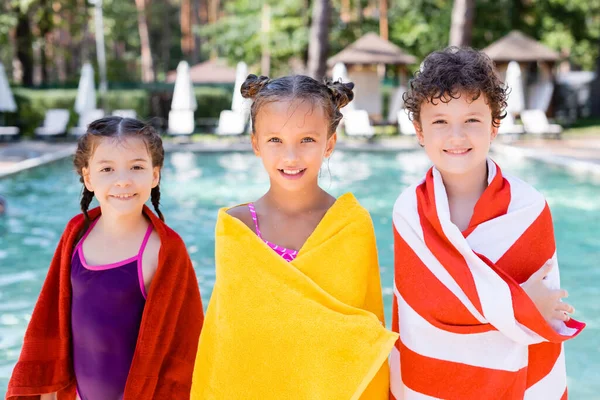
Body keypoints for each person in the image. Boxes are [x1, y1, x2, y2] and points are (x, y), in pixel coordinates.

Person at [390, 47, 585, 399]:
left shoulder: (529, 210)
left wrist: (528, 309)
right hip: (433, 380)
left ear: (494, 126)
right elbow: (423, 309)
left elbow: (545, 312)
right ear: (419, 130)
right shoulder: (409, 211)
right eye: (440, 122)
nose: (456, 136)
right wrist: (518, 306)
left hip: (514, 384)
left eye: (472, 120)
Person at [191, 74, 398, 399]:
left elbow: (363, 334)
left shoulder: (350, 224)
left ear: (329, 143)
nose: (291, 156)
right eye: (275, 140)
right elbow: (230, 340)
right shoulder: (237, 228)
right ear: (255, 143)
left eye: (307, 140)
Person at [7, 117, 204, 400]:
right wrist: (47, 390)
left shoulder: (164, 249)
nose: (122, 180)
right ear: (88, 178)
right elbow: (53, 316)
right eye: (107, 169)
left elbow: (183, 341)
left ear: (155, 175)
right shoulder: (76, 233)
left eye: (136, 167)